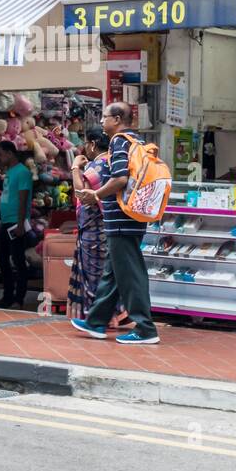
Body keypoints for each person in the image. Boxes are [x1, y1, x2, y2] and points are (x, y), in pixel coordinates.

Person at [71, 102, 160, 344]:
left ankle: (145, 329)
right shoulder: (136, 140)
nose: (101, 121)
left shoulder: (119, 141)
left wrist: (96, 195)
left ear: (118, 118)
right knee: (113, 273)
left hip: (123, 219)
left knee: (131, 274)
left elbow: (120, 178)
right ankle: (96, 322)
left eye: (105, 116)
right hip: (127, 218)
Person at [67, 127, 131, 325]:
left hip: (94, 230)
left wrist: (75, 167)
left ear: (93, 144)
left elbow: (82, 193)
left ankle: (99, 319)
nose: (85, 148)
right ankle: (116, 314)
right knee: (109, 274)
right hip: (108, 227)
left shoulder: (97, 166)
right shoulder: (113, 164)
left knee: (95, 276)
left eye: (86, 143)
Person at [0, 141, 33, 309]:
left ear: (10, 153)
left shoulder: (23, 172)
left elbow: (23, 198)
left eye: (1, 154)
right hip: (6, 221)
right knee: (2, 259)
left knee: (18, 260)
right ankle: (8, 296)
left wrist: (20, 223)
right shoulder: (9, 172)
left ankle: (18, 298)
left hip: (15, 222)